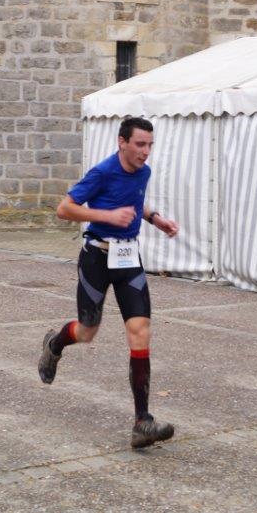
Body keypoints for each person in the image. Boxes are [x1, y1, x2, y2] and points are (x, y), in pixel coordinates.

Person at [39, 116, 181, 449]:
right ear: (122, 142)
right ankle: (54, 345)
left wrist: (156, 219)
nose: (146, 152)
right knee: (88, 331)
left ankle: (142, 422)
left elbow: (134, 202)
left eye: (150, 145)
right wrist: (107, 216)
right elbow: (65, 209)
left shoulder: (143, 172)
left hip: (128, 258)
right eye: (140, 145)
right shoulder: (102, 172)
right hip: (97, 257)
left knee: (140, 329)